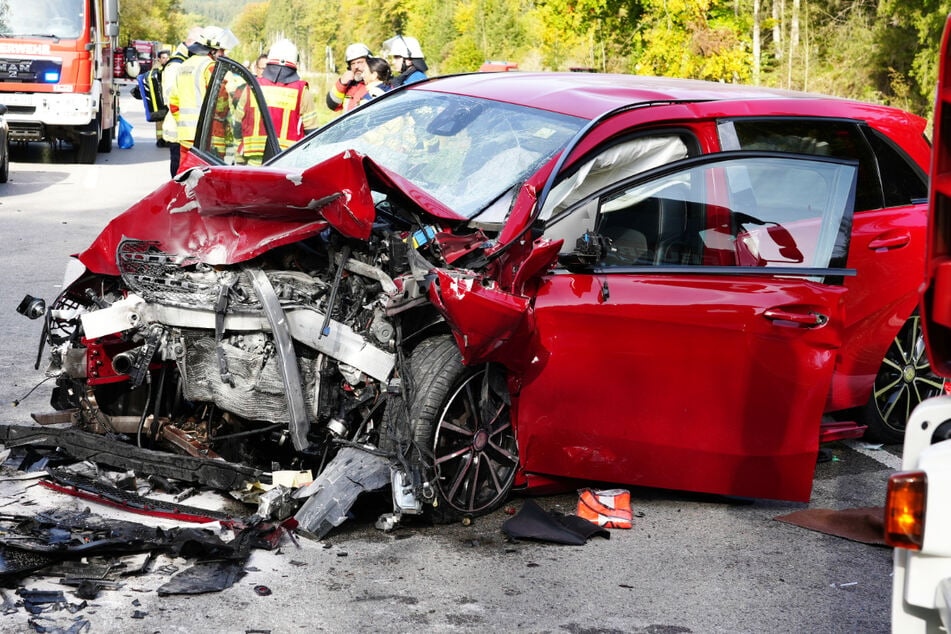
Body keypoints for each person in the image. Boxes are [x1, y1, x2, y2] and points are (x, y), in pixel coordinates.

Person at [235, 39, 320, 165]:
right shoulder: (302, 91)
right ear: (294, 64)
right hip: (287, 163)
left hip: (253, 163)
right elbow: (312, 133)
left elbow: (238, 125)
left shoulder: (251, 87)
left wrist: (239, 159)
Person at [167, 26, 239, 171]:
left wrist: (185, 125)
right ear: (212, 49)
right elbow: (221, 103)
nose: (224, 54)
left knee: (185, 179)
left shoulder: (184, 66)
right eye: (222, 50)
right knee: (208, 183)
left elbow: (174, 102)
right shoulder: (211, 67)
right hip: (207, 139)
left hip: (186, 136)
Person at [161, 26, 203, 176]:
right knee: (179, 174)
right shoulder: (177, 64)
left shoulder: (187, 62)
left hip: (186, 130)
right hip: (179, 129)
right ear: (192, 43)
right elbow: (171, 98)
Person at [326, 42, 371, 113]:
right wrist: (341, 84)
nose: (356, 66)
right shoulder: (347, 85)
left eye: (360, 62)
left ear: (369, 62)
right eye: (353, 63)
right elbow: (332, 105)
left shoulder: (377, 81)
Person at [153, 50, 171, 147]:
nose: (166, 59)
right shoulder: (156, 69)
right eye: (163, 58)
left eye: (167, 57)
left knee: (169, 119)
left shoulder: (171, 67)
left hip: (168, 97)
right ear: (159, 59)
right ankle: (160, 139)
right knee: (160, 120)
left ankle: (168, 139)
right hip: (159, 98)